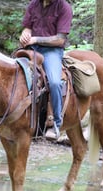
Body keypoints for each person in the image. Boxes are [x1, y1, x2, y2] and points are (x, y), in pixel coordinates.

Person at [20, 0, 73, 139]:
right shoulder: (33, 4)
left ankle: (57, 122)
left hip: (52, 51)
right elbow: (27, 27)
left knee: (55, 82)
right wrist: (25, 34)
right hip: (31, 49)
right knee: (14, 73)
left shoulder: (63, 7)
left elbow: (60, 40)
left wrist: (35, 39)